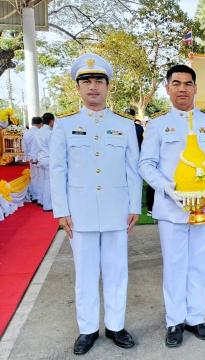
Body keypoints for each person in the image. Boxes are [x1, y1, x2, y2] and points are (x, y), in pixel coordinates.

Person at [49, 53, 142, 355]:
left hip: (117, 210)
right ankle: (87, 329)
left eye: (99, 81)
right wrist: (61, 211)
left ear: (108, 86)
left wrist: (135, 206)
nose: (93, 86)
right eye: (86, 81)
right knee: (86, 274)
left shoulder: (124, 124)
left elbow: (133, 167)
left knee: (117, 271)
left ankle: (115, 326)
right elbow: (57, 169)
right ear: (77, 87)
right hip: (81, 212)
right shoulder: (64, 125)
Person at [138, 64, 205, 348]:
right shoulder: (157, 124)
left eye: (188, 83)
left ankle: (196, 319)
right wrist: (167, 188)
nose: (182, 89)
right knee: (175, 266)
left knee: (201, 265)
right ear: (167, 88)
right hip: (172, 208)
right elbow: (146, 164)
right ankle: (174, 321)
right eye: (176, 83)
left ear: (196, 87)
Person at [36, 112, 55, 211]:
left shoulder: (39, 131)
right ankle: (48, 205)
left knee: (42, 181)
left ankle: (41, 201)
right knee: (49, 183)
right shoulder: (50, 133)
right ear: (51, 121)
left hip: (41, 158)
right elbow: (53, 148)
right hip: (48, 159)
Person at [22, 117, 43, 204]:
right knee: (42, 177)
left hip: (31, 157)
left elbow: (24, 148)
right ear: (40, 123)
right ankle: (40, 197)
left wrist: (28, 156)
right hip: (40, 157)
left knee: (34, 176)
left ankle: (34, 196)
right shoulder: (40, 132)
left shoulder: (26, 133)